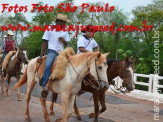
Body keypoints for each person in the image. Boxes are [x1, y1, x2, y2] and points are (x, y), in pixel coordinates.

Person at [37, 14, 70, 95]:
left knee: (70, 65)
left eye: (65, 22)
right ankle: (44, 86)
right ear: (58, 22)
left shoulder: (65, 31)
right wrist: (41, 56)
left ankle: (68, 85)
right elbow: (45, 42)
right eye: (63, 22)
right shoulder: (49, 29)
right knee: (48, 65)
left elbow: (67, 44)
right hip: (52, 51)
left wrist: (63, 40)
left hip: (62, 52)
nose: (64, 24)